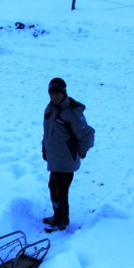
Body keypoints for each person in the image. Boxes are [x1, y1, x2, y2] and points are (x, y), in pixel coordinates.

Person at [41, 77, 95, 232]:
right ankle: (58, 216)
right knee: (54, 188)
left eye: (58, 93)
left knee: (59, 191)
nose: (54, 96)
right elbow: (48, 131)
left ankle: (62, 220)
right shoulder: (50, 108)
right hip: (55, 159)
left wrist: (81, 152)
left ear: (64, 93)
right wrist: (44, 147)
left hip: (66, 161)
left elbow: (87, 135)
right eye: (52, 93)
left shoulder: (71, 112)